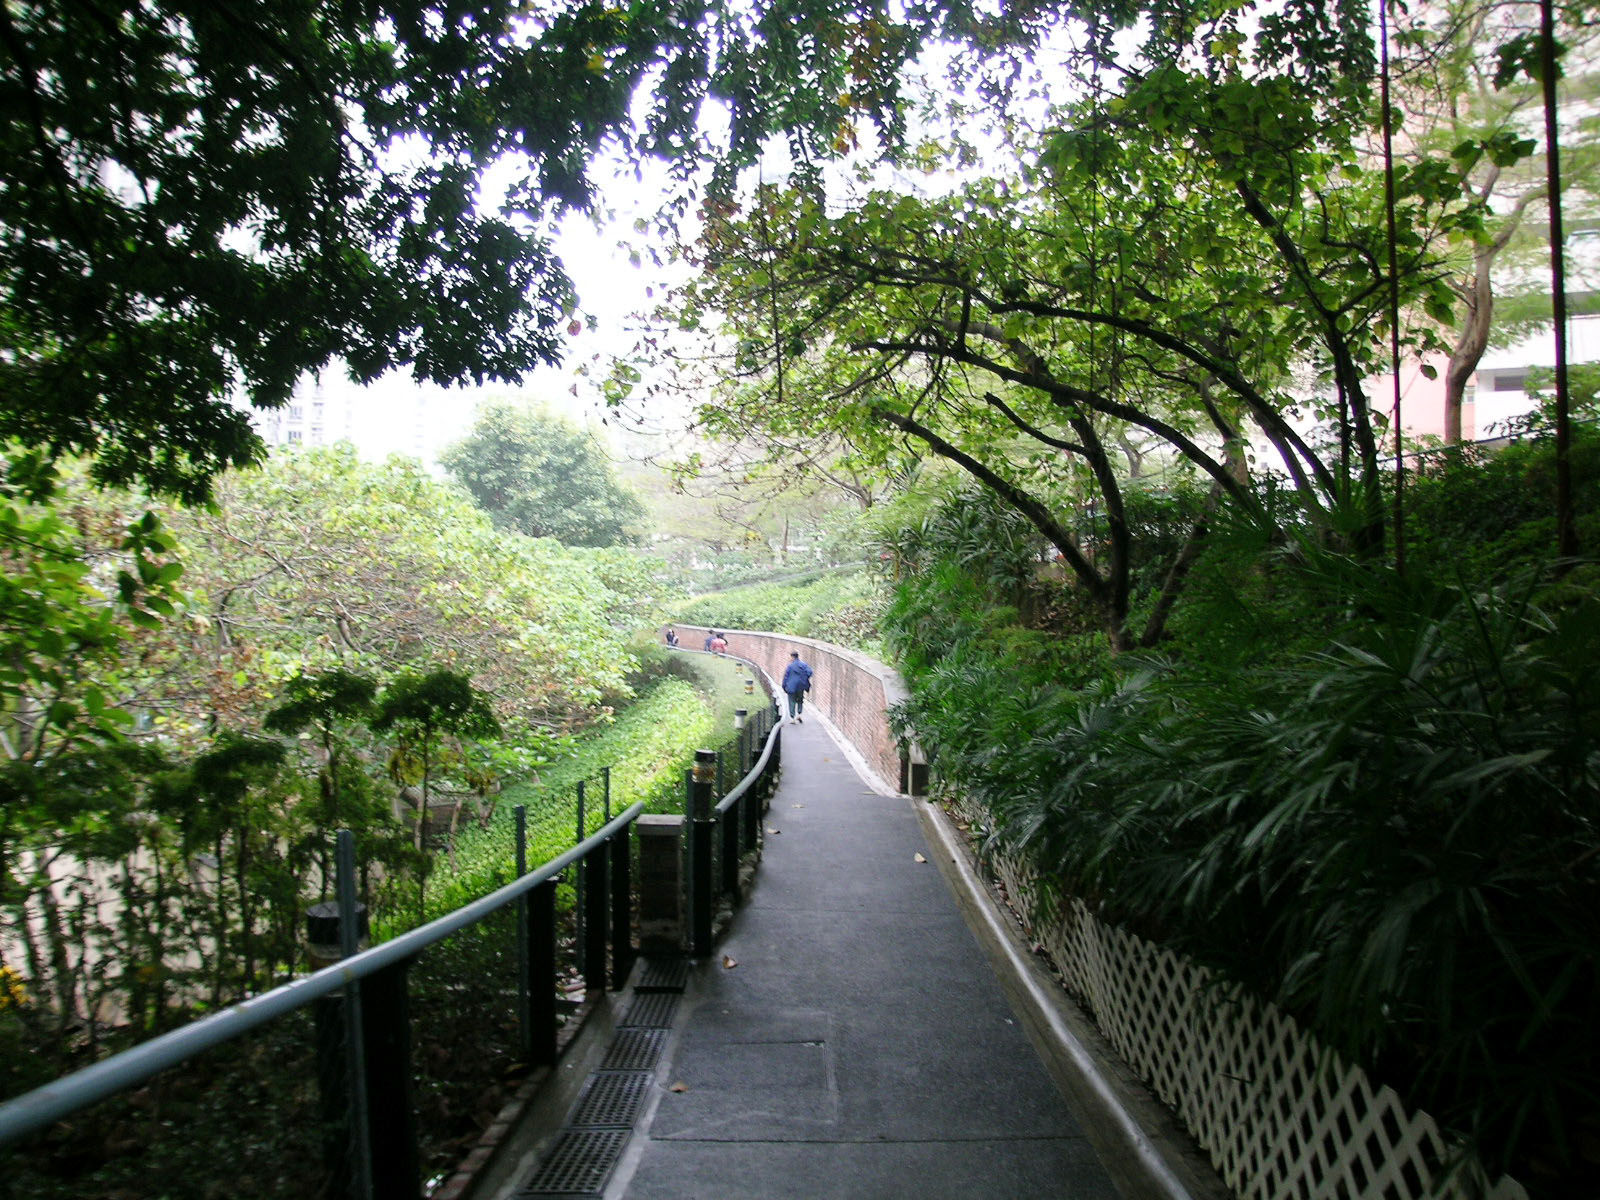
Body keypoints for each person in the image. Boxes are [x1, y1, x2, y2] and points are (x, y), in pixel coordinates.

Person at [781, 650, 813, 722]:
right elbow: (810, 672)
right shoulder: (804, 665)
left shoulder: (790, 666)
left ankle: (792, 717)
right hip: (801, 686)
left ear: (792, 657)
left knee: (791, 701)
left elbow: (786, 677)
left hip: (791, 687)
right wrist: (804, 679)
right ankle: (799, 714)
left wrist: (784, 686)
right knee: (800, 700)